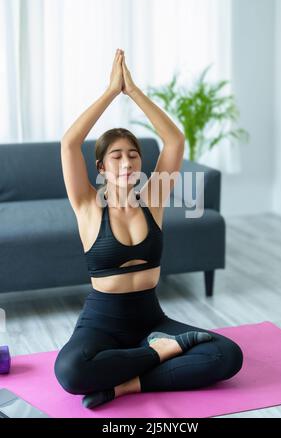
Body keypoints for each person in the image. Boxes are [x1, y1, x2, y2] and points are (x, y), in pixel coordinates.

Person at [54, 49, 243, 409]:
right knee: (70, 371)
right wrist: (112, 91)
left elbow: (174, 141)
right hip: (102, 325)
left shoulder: (152, 198)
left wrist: (134, 91)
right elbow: (69, 143)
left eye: (133, 154)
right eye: (116, 155)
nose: (126, 161)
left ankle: (126, 386)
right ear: (101, 167)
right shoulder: (87, 205)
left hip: (151, 320)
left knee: (228, 355)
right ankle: (161, 355)